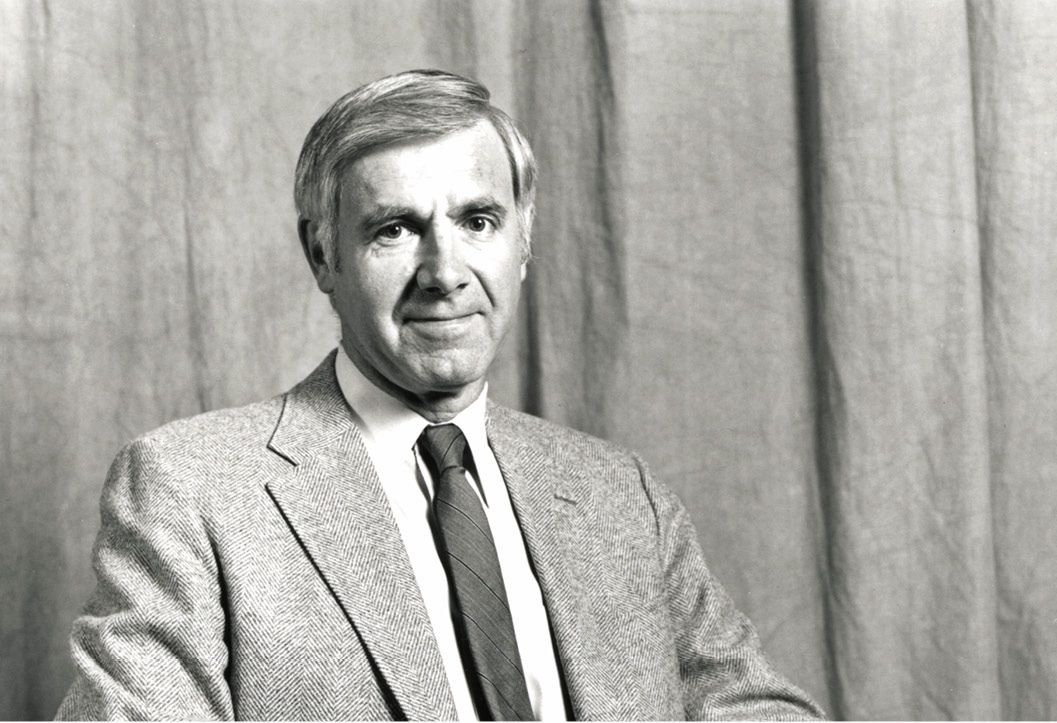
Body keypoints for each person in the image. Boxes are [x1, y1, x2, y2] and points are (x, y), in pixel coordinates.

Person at [57, 69, 824, 721]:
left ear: (523, 240)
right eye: (394, 229)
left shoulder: (618, 494)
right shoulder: (188, 490)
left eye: (478, 220)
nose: (445, 271)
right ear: (322, 252)